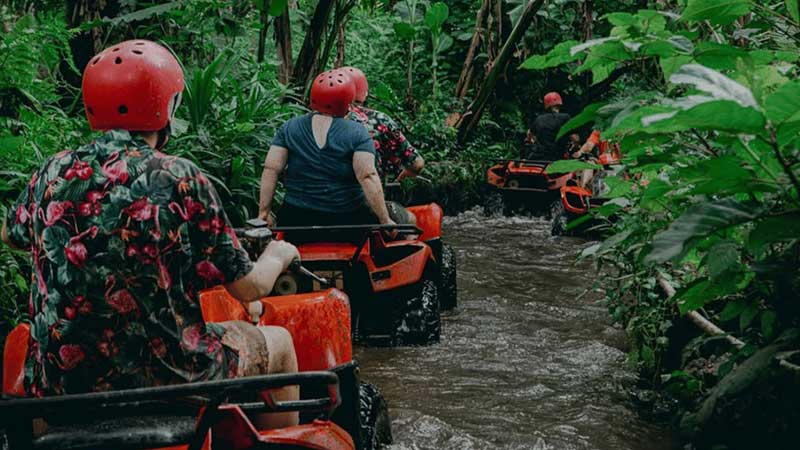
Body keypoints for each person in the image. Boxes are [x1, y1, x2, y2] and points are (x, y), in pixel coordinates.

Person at [1, 40, 300, 427]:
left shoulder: (50, 173)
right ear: (165, 107)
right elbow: (249, 289)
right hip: (171, 378)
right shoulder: (178, 176)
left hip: (64, 381)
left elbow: (13, 236)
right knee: (280, 345)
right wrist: (277, 256)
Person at [258, 69, 394, 230]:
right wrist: (385, 221)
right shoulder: (358, 132)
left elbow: (271, 168)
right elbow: (367, 175)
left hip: (295, 219)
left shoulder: (289, 128)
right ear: (348, 101)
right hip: (348, 220)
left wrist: (264, 212)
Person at [342, 67, 422, 226]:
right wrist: (407, 172)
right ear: (363, 93)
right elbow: (417, 164)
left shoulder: (315, 124)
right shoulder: (379, 120)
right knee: (411, 220)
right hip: (364, 207)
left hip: (320, 205)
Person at [526, 92, 572, 161]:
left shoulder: (539, 119)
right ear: (559, 104)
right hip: (556, 158)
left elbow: (529, 133)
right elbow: (575, 138)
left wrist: (531, 140)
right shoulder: (565, 117)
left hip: (537, 158)